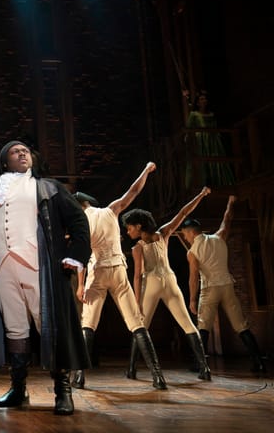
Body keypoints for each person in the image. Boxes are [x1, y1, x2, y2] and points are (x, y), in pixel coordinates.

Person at [0, 141, 91, 415]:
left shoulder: (48, 187)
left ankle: (62, 390)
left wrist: (75, 255)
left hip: (38, 265)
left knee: (49, 325)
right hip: (2, 268)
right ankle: (18, 388)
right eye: (14, 151)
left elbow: (79, 222)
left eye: (25, 151)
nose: (22, 153)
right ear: (4, 162)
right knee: (15, 329)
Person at [71, 162, 167, 390]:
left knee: (88, 324)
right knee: (136, 323)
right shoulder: (110, 210)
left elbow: (81, 255)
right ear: (88, 203)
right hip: (118, 270)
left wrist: (81, 284)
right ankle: (158, 376)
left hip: (97, 272)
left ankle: (79, 376)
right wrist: (146, 170)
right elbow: (133, 191)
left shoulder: (80, 222)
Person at [122, 186, 212, 381]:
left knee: (139, 327)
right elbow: (184, 212)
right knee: (188, 325)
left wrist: (136, 302)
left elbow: (137, 276)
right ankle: (205, 369)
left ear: (138, 226)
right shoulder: (163, 233)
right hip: (170, 280)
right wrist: (201, 194)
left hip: (152, 281)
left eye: (129, 227)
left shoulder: (138, 247)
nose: (128, 232)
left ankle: (131, 369)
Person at [183, 195, 267, 373]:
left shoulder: (192, 251)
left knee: (203, 326)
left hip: (210, 289)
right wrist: (230, 202)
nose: (185, 237)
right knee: (241, 325)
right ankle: (258, 361)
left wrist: (192, 299)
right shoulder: (219, 237)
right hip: (227, 286)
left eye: (185, 234)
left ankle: (200, 364)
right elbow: (227, 219)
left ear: (191, 232)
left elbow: (193, 277)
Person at [183, 89, 235, 188]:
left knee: (216, 159)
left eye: (205, 99)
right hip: (201, 140)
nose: (203, 101)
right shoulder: (194, 115)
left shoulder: (211, 114)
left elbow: (215, 125)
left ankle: (219, 182)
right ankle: (205, 182)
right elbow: (189, 127)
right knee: (203, 160)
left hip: (212, 139)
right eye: (201, 99)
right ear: (198, 102)